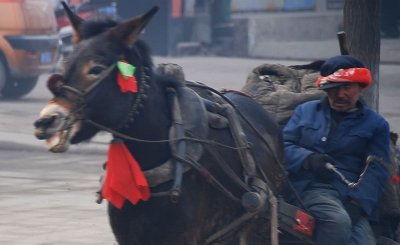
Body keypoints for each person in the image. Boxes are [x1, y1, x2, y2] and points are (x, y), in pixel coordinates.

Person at [283, 55, 390, 245]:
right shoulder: (305, 111)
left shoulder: (376, 124)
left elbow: (377, 170)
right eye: (333, 88)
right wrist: (309, 159)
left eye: (347, 87)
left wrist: (358, 205)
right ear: (325, 89)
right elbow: (283, 146)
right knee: (337, 222)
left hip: (350, 196)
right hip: (308, 189)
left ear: (360, 88)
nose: (340, 94)